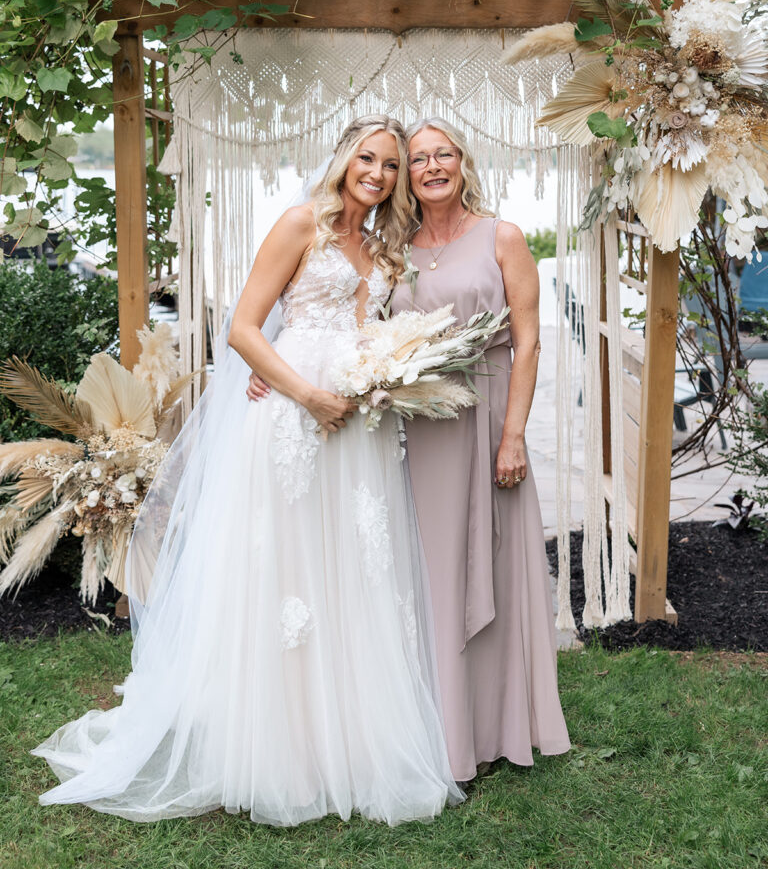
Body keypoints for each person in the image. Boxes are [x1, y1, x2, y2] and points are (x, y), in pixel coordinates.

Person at [32, 115, 462, 826]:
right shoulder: (302, 225)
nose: (379, 175)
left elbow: (381, 328)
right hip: (293, 422)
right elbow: (243, 328)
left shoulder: (386, 244)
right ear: (342, 159)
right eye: (368, 159)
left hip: (358, 432)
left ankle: (348, 744)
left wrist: (381, 377)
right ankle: (277, 748)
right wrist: (304, 393)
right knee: (287, 575)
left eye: (391, 166)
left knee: (351, 571)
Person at [390, 117, 570, 781]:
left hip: (492, 415)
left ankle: (499, 726)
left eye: (443, 155)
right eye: (417, 160)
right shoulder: (397, 247)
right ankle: (442, 730)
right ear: (407, 177)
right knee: (436, 569)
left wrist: (513, 435)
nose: (432, 167)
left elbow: (528, 341)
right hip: (431, 424)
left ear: (464, 162)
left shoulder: (502, 236)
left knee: (495, 562)